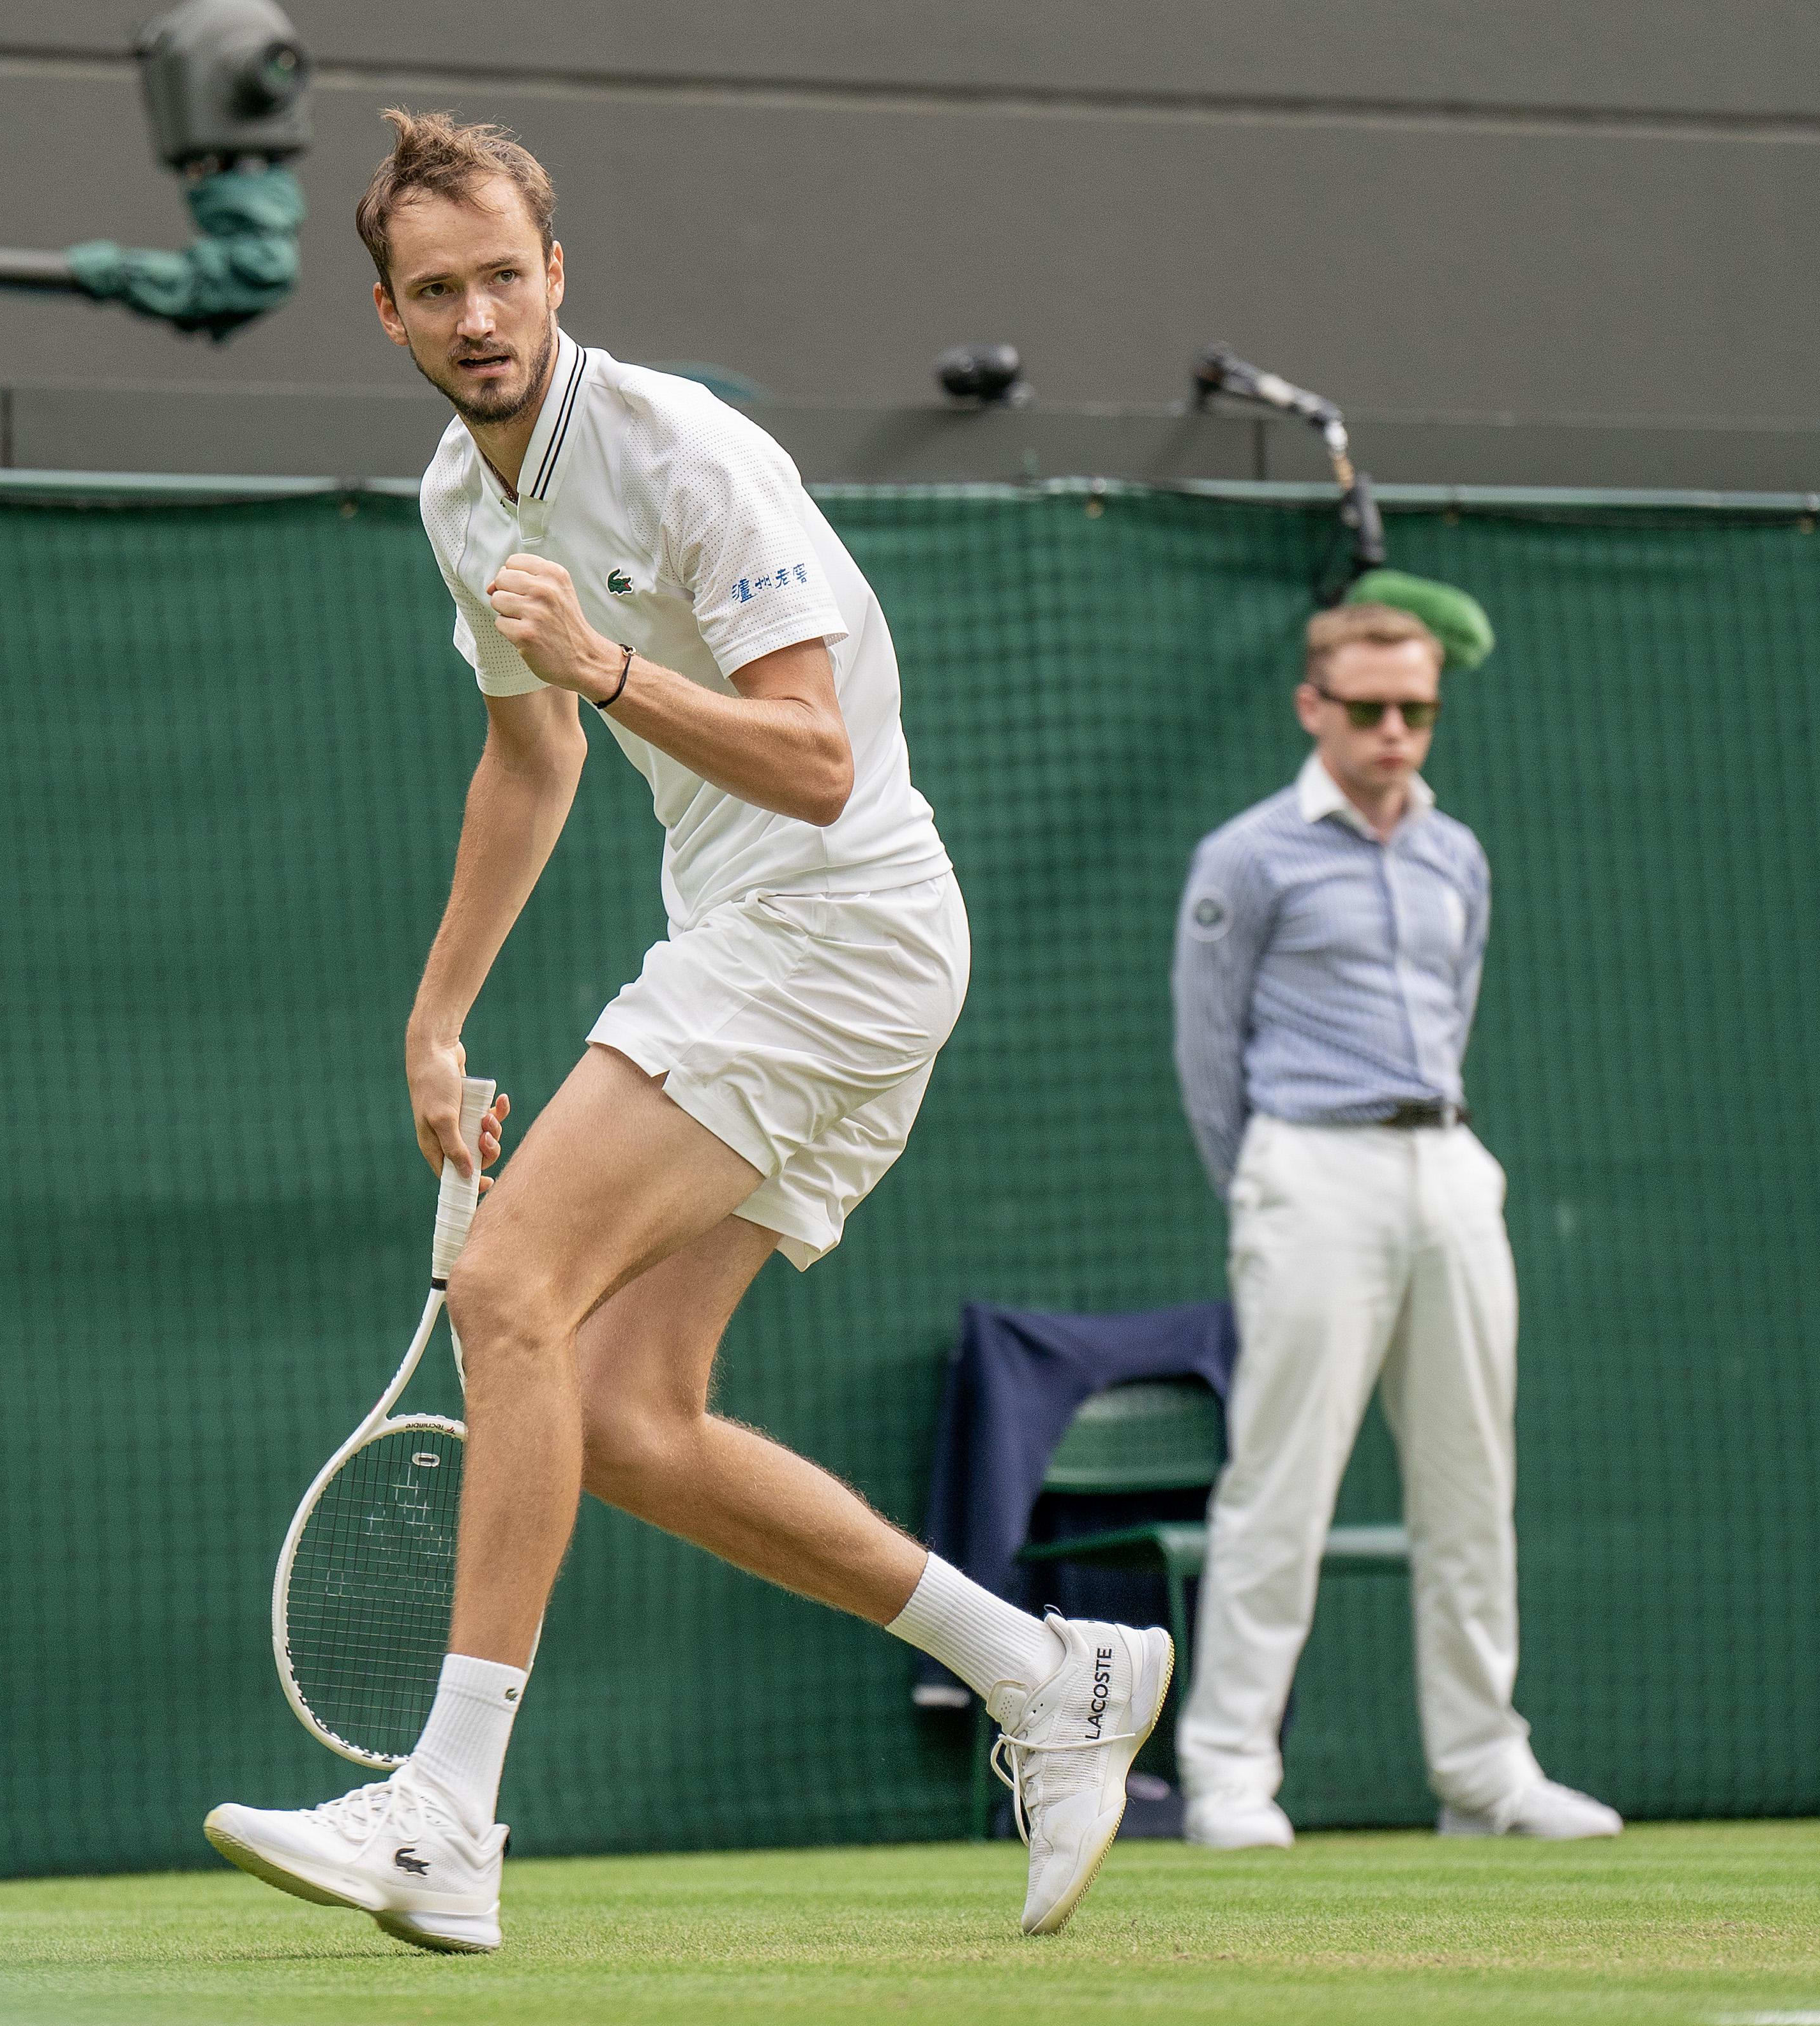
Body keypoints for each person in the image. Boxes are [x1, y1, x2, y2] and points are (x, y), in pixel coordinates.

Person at [202, 110, 1169, 1952]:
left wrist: (611, 661)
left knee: (506, 1291)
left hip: (840, 922)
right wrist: (435, 1013)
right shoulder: (457, 495)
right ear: (389, 316)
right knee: (632, 1413)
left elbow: (811, 760)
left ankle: (446, 1815)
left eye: (504, 275)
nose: (477, 313)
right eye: (436, 291)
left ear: (557, 274)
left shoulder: (691, 457)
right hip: (772, 938)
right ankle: (1045, 1676)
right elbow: (530, 750)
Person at [1168, 599, 1622, 1849]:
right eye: (1364, 709)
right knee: (1279, 1483)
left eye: (1412, 712)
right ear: (1312, 707)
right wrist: (1264, 1183)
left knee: (1472, 1483)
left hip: (1448, 1167)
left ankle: (1482, 1771)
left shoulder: (1453, 856)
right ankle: (1227, 1776)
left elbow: (1453, 1004)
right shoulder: (1245, 856)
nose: (1389, 732)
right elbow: (1207, 1052)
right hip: (1307, 1169)